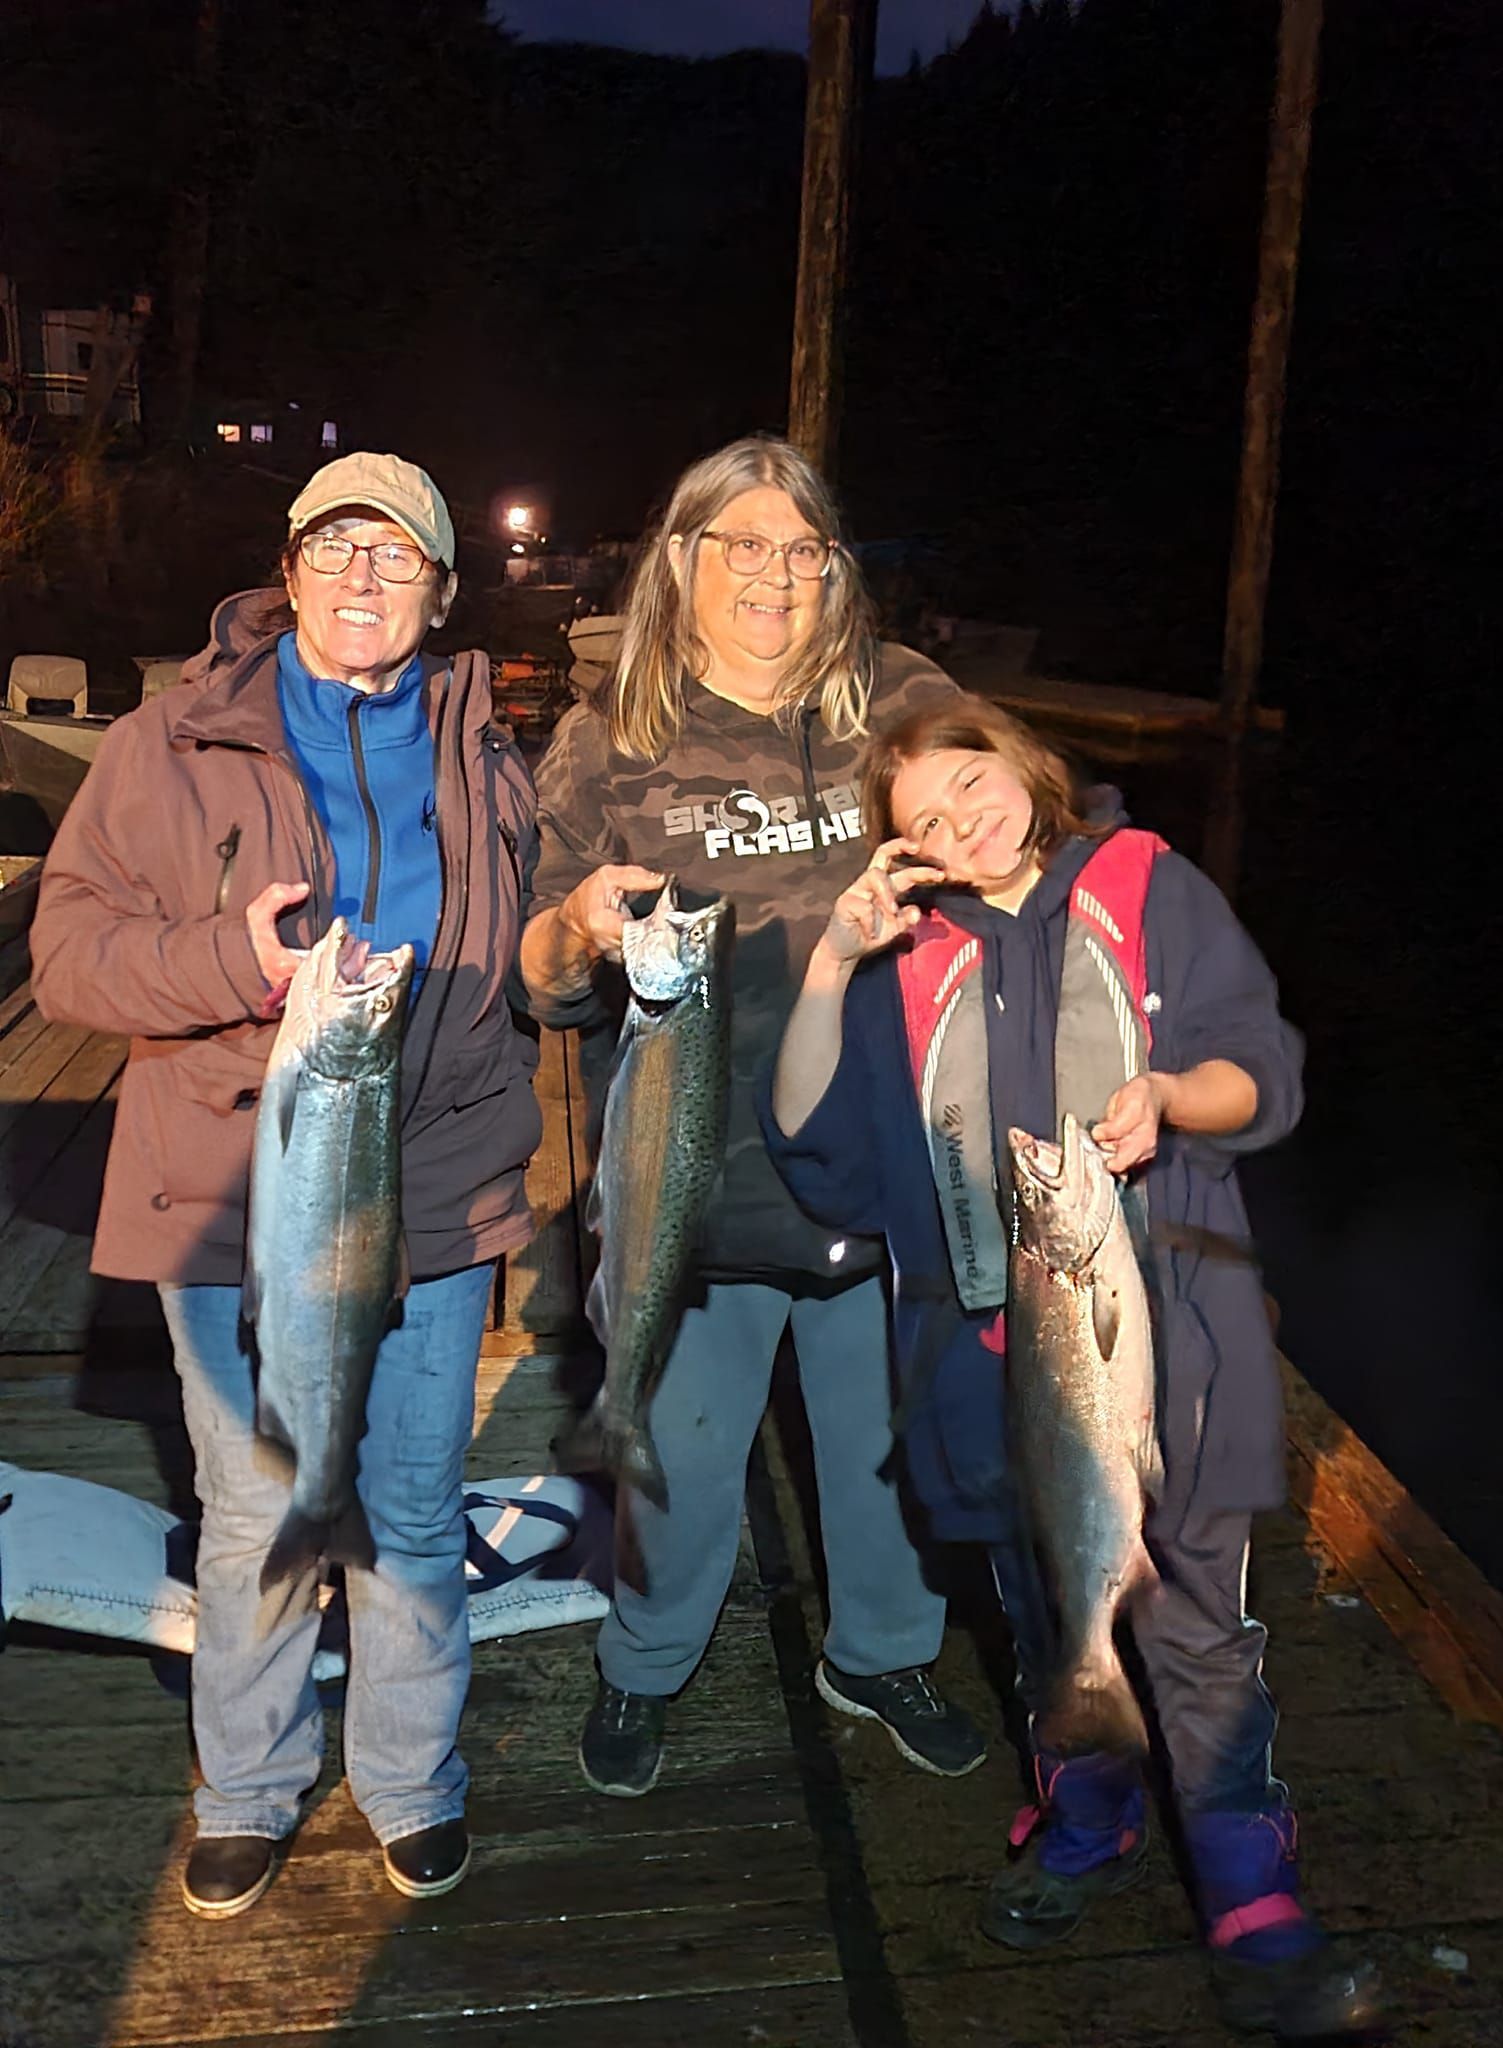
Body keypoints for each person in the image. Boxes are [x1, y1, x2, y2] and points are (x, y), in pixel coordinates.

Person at [762, 695, 1383, 2042]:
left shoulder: (1148, 884)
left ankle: (1246, 1885)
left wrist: (1170, 1097)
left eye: (972, 783)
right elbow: (818, 1150)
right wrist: (829, 965)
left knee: (1198, 1630)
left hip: (1179, 1346)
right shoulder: (904, 956)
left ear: (1023, 760)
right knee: (1050, 1621)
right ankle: (1089, 1818)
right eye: (926, 822)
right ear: (904, 852)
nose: (963, 825)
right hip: (989, 1370)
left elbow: (1260, 1074)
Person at [29, 452, 542, 1919]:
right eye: (336, 547)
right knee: (255, 1508)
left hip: (439, 1179)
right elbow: (65, 959)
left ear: (442, 591)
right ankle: (248, 1789)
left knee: (414, 1507)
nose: (363, 577)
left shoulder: (487, 747)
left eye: (397, 556)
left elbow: (538, 948)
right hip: (229, 1186)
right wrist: (228, 960)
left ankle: (411, 1781)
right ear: (291, 568)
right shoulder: (170, 740)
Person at [520, 434, 986, 1796]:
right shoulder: (611, 739)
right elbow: (541, 982)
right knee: (678, 1454)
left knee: (888, 1450)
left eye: (801, 548)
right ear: (682, 558)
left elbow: (1016, 843)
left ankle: (884, 1653)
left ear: (834, 567)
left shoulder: (902, 700)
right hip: (692, 1189)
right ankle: (645, 1661)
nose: (774, 576)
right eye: (742, 544)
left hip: (885, 1175)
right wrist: (577, 929)